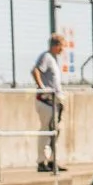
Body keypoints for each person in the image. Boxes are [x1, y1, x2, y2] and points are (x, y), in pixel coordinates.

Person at [30, 31, 68, 173]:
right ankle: (42, 161)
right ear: (55, 45)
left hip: (55, 102)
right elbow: (35, 70)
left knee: (56, 131)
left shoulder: (53, 59)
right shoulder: (46, 57)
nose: (62, 49)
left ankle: (52, 160)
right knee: (46, 131)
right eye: (61, 46)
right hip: (46, 101)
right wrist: (42, 88)